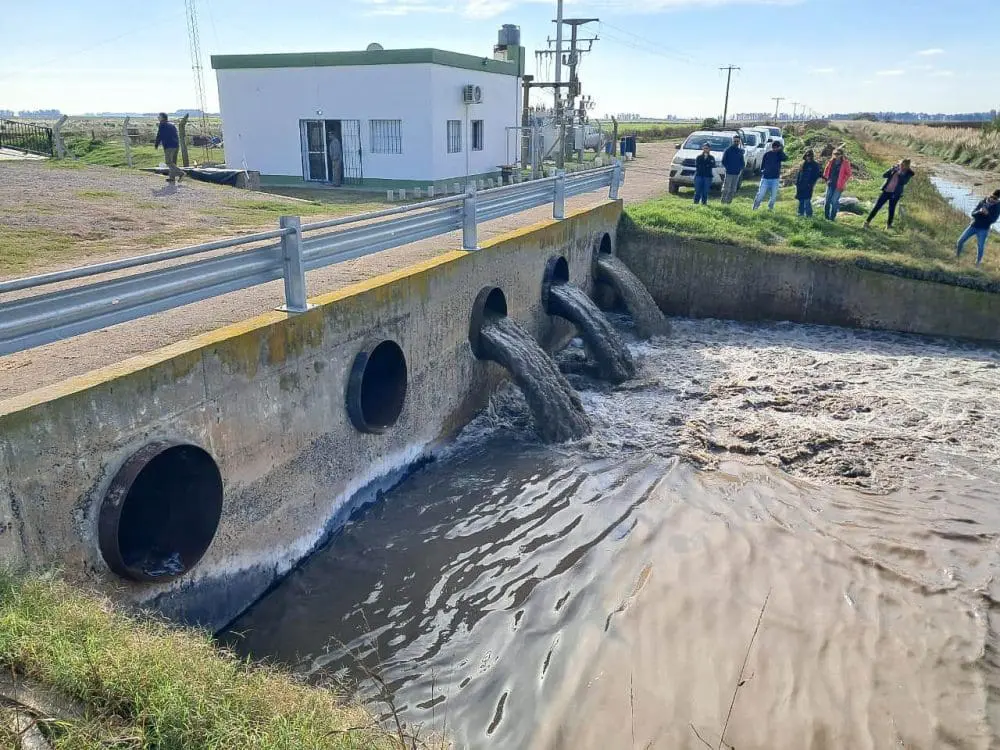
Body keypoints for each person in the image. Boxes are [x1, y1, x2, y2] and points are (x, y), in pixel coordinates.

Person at [864, 159, 915, 229]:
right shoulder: (895, 168)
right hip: (886, 191)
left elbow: (903, 182)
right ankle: (867, 222)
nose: (902, 166)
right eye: (901, 164)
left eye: (904, 165)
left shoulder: (908, 173)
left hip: (895, 194)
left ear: (907, 166)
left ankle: (888, 225)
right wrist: (892, 170)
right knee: (877, 206)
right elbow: (884, 175)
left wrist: (900, 173)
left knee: (891, 209)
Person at [956, 189, 1000, 265]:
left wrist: (987, 214)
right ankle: (957, 257)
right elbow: (972, 214)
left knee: (980, 247)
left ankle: (977, 264)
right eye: (992, 197)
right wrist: (979, 211)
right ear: (990, 195)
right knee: (960, 241)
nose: (992, 199)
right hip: (973, 226)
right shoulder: (982, 202)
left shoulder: (997, 207)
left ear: (998, 199)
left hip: (984, 229)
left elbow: (993, 220)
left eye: (995, 199)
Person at [753, 141, 788, 211]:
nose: (775, 149)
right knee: (761, 194)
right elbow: (762, 165)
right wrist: (763, 171)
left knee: (774, 196)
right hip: (765, 178)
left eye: (777, 147)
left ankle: (770, 208)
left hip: (775, 179)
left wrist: (780, 151)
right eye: (774, 147)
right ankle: (755, 207)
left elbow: (786, 158)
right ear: (772, 147)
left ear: (778, 148)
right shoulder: (767, 154)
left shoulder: (779, 155)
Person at [821, 147, 853, 221]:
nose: (835, 155)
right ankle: (826, 217)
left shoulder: (845, 163)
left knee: (834, 201)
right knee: (827, 201)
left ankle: (832, 218)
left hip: (839, 185)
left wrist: (842, 181)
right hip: (830, 184)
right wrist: (826, 179)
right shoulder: (831, 161)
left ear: (841, 155)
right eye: (834, 154)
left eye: (837, 154)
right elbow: (826, 171)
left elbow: (848, 174)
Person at [154, 113, 183, 184]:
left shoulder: (162, 124)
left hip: (169, 146)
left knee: (168, 162)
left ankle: (181, 173)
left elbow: (159, 135)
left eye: (159, 116)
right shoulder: (171, 125)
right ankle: (172, 178)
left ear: (163, 118)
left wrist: (156, 144)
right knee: (172, 162)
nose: (158, 117)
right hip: (176, 145)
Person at [795, 149, 822, 217]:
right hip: (801, 184)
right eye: (807, 155)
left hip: (808, 185)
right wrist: (797, 183)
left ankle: (809, 215)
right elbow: (799, 174)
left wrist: (811, 184)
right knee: (801, 199)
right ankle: (800, 213)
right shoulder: (803, 164)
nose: (808, 157)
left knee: (807, 200)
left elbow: (817, 175)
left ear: (812, 156)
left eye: (809, 156)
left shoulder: (815, 165)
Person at [721, 135, 745, 204]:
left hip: (737, 173)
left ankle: (728, 203)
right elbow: (723, 161)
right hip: (729, 173)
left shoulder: (740, 151)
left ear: (739, 142)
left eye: (737, 141)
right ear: (732, 141)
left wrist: (740, 169)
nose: (736, 142)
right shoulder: (728, 150)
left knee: (733, 189)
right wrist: (728, 168)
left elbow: (742, 162)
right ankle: (723, 203)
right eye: (735, 141)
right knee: (726, 189)